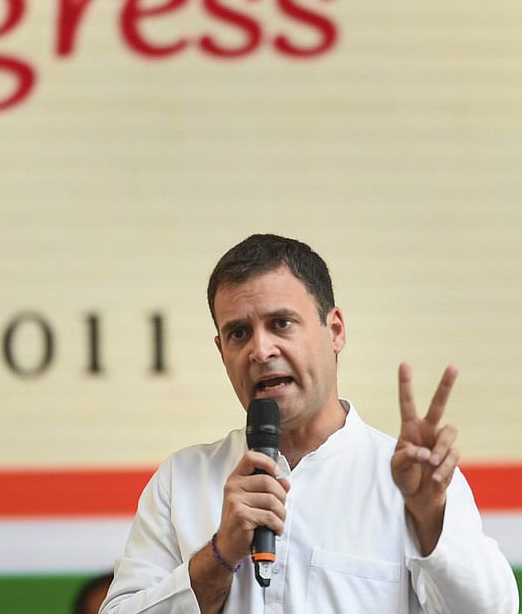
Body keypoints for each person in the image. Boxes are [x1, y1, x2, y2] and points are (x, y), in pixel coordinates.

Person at [100, 234, 518, 613]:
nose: (261, 350)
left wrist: (429, 516)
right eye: (239, 333)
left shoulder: (412, 479)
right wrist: (220, 554)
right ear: (221, 350)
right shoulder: (182, 479)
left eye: (281, 323)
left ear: (334, 330)